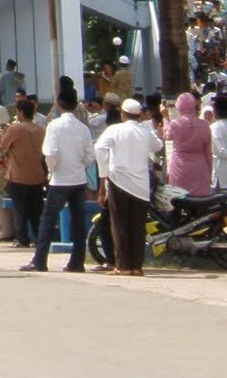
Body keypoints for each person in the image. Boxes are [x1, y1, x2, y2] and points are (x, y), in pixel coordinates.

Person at [21, 88, 96, 273]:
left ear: (59, 105)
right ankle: (77, 262)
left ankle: (40, 260)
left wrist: (52, 170)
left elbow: (51, 153)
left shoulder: (54, 126)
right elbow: (89, 155)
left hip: (60, 180)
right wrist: (80, 166)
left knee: (47, 220)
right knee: (78, 221)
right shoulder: (83, 128)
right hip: (78, 179)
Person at [94, 97, 163, 276]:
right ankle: (136, 266)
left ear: (123, 114)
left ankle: (123, 266)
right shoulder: (145, 131)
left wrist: (104, 173)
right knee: (138, 227)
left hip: (119, 182)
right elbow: (158, 145)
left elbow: (99, 149)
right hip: (140, 185)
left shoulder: (114, 130)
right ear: (139, 115)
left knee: (119, 225)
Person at [0, 98, 48, 248]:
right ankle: (39, 238)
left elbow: (2, 147)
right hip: (37, 175)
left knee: (20, 209)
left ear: (20, 113)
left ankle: (23, 239)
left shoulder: (15, 129)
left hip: (18, 175)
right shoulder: (40, 130)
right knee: (36, 211)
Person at [164, 91, 214, 196]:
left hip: (179, 168)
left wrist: (165, 118)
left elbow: (166, 136)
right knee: (200, 205)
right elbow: (208, 153)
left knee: (179, 201)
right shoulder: (205, 126)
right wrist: (209, 173)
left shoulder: (175, 125)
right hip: (200, 168)